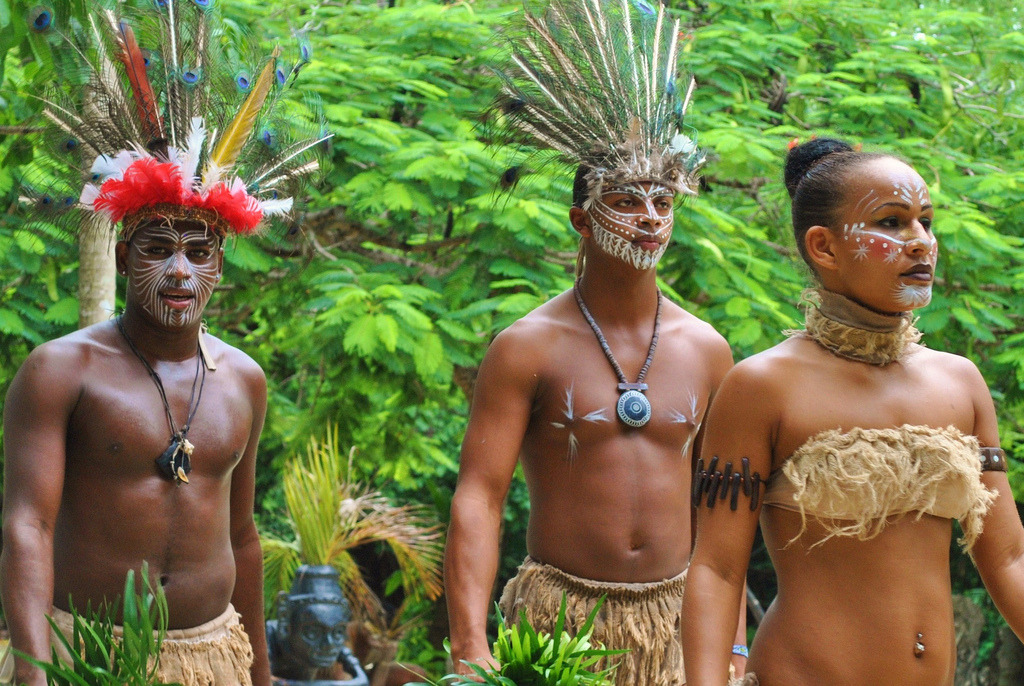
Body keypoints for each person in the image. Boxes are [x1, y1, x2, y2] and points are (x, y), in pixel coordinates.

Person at [1, 4, 327, 685]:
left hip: (210, 656)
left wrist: (259, 672)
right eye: (158, 249)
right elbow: (26, 526)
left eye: (199, 252)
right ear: (123, 258)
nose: (180, 271)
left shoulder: (243, 379)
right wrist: (34, 670)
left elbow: (242, 533)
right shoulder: (61, 371)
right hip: (83, 654)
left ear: (220, 264)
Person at [444, 1, 743, 683]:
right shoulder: (527, 347)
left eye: (663, 201)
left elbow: (728, 506)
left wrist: (732, 646)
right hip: (558, 625)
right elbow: (479, 496)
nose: (648, 218)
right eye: (627, 199)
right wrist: (470, 643)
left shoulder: (707, 349)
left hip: (676, 623)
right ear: (582, 218)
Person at [681, 138, 1024, 686]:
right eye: (892, 223)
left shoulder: (960, 382)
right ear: (824, 246)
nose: (921, 243)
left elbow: (1008, 560)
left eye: (926, 222)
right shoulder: (762, 387)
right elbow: (718, 570)